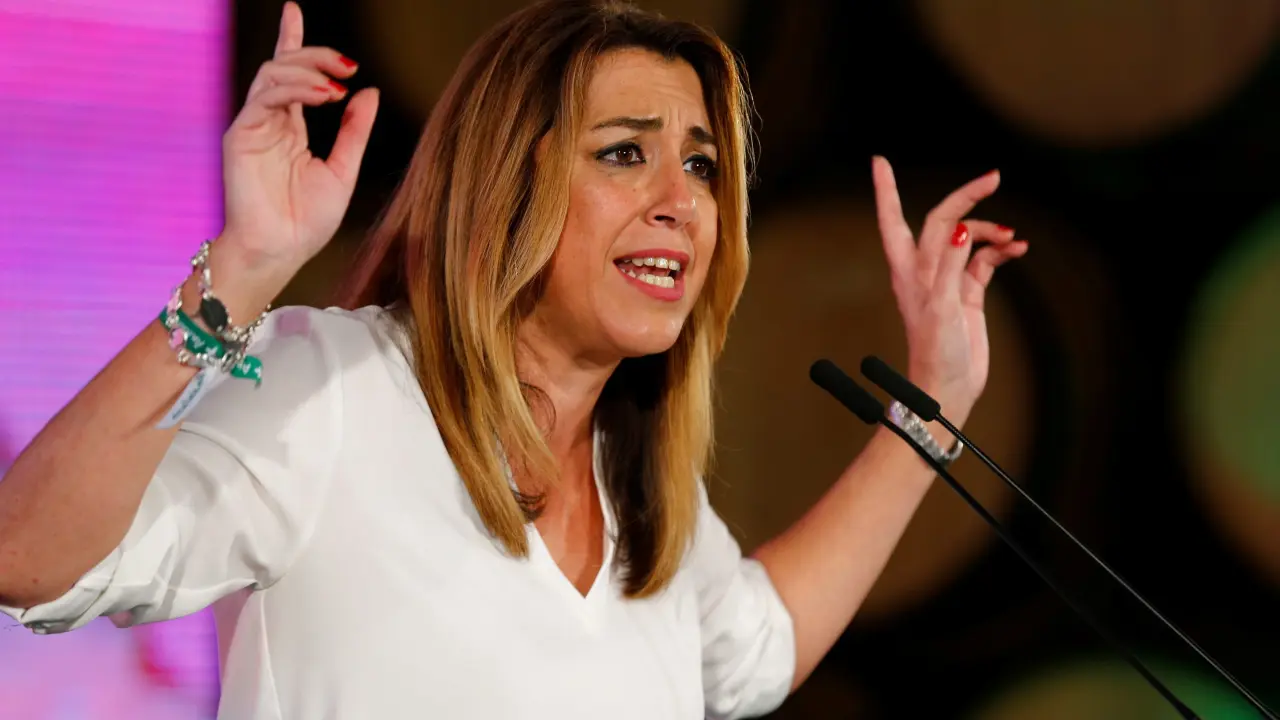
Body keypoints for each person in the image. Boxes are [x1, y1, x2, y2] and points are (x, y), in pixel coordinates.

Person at [0, 1, 1027, 718]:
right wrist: (242, 267)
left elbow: (757, 648)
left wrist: (932, 402)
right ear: (506, 184)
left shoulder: (641, 487)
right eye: (624, 153)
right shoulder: (338, 389)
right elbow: (29, 559)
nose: (680, 199)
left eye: (702, 164)